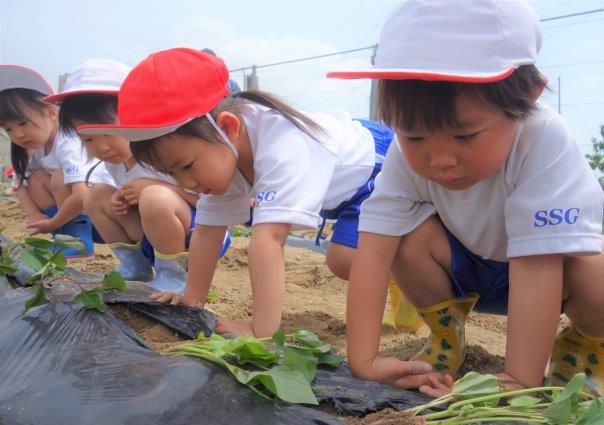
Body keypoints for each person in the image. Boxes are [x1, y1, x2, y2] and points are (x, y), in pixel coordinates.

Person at [327, 0, 604, 396]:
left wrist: (519, 381)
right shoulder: (401, 159)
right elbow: (372, 251)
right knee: (402, 238)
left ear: (527, 97)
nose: (439, 159)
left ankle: (580, 355)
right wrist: (364, 361)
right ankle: (446, 337)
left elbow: (539, 265)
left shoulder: (544, 140)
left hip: (548, 273)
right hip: (464, 271)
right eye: (414, 136)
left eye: (465, 136)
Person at [78, 47, 392, 338]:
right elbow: (206, 233)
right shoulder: (224, 153)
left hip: (378, 169)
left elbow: (269, 239)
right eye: (171, 173)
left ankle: (404, 273)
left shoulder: (285, 146)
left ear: (228, 127)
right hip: (342, 195)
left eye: (186, 166)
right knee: (351, 258)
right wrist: (193, 298)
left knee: (344, 259)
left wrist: (260, 329)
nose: (185, 183)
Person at [52, 58, 231, 290]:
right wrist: (121, 197)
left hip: (201, 235)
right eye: (88, 139)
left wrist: (157, 188)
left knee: (155, 197)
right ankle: (135, 266)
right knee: (94, 196)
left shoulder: (161, 152)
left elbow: (212, 204)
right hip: (155, 236)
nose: (102, 147)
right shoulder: (113, 163)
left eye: (109, 133)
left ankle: (174, 275)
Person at [0, 64, 113, 256]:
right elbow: (20, 185)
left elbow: (81, 195)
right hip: (77, 214)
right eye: (8, 129)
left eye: (22, 123)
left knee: (60, 178)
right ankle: (66, 234)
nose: (17, 134)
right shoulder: (36, 148)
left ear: (51, 113)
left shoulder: (67, 142)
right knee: (32, 179)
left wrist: (52, 222)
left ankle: (75, 237)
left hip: (106, 213)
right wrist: (35, 215)